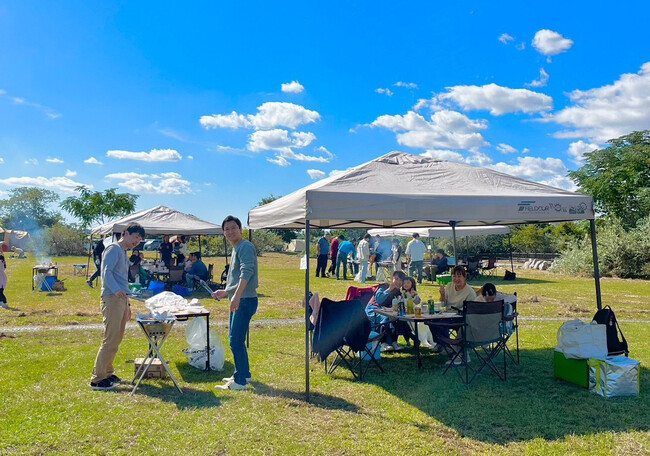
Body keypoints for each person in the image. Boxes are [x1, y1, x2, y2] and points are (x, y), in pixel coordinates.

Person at [90, 223, 145, 391]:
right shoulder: (113, 249)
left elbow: (121, 278)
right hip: (112, 298)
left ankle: (107, 373)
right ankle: (97, 379)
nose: (137, 242)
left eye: (139, 240)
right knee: (110, 339)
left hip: (121, 299)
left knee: (116, 339)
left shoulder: (123, 251)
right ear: (126, 233)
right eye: (135, 237)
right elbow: (106, 272)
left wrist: (127, 304)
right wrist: (116, 291)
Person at [212, 216, 258, 391]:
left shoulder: (245, 246)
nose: (230, 232)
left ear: (241, 229)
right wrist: (226, 292)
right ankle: (243, 374)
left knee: (235, 341)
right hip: (240, 299)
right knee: (235, 339)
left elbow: (247, 272)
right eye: (226, 229)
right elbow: (237, 277)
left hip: (245, 300)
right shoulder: (236, 248)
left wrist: (237, 296)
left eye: (233, 228)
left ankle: (240, 382)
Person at [365, 270, 406, 351]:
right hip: (374, 310)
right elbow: (379, 300)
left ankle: (393, 341)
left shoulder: (398, 292)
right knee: (386, 318)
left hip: (387, 311)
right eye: (396, 279)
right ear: (392, 278)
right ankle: (384, 343)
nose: (398, 282)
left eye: (401, 280)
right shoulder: (384, 287)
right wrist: (389, 290)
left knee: (398, 318)